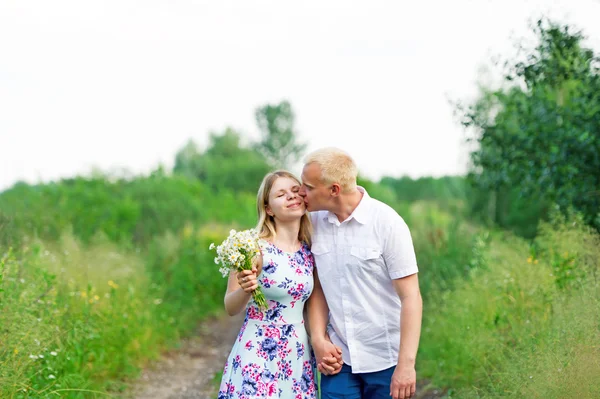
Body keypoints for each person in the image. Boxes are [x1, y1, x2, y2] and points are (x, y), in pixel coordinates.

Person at [300, 147, 423, 399]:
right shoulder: (313, 223)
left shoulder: (387, 223)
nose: (301, 192)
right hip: (338, 358)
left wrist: (406, 365)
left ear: (334, 189)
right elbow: (318, 287)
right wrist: (319, 340)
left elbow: (411, 297)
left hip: (385, 358)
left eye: (309, 187)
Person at [217, 170, 341, 399]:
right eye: (281, 194)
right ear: (268, 208)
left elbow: (315, 301)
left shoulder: (309, 250)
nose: (292, 197)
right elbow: (230, 307)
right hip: (257, 351)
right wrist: (246, 289)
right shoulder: (252, 248)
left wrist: (320, 338)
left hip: (297, 352)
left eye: (296, 191)